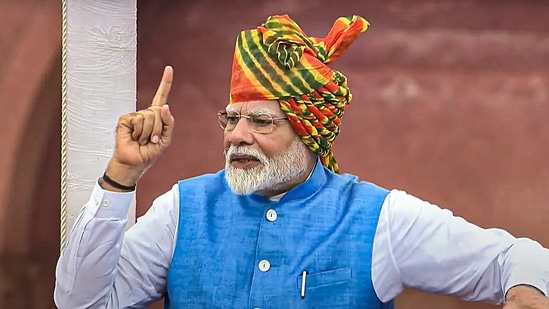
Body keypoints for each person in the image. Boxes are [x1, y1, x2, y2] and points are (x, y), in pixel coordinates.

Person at [54, 14, 549, 309]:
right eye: (231, 119)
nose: (237, 137)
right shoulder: (183, 209)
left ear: (308, 132)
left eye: (262, 123)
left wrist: (527, 290)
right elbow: (82, 303)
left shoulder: (378, 219)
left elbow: (514, 257)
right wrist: (123, 176)